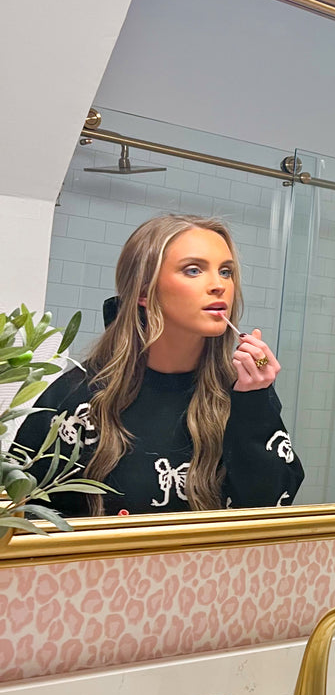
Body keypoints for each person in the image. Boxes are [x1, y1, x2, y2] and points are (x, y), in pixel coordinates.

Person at [16, 214, 303, 517]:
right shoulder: (79, 396)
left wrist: (255, 401)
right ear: (142, 292)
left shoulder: (244, 393)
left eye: (226, 272)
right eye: (193, 270)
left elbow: (269, 515)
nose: (219, 285)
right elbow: (21, 514)